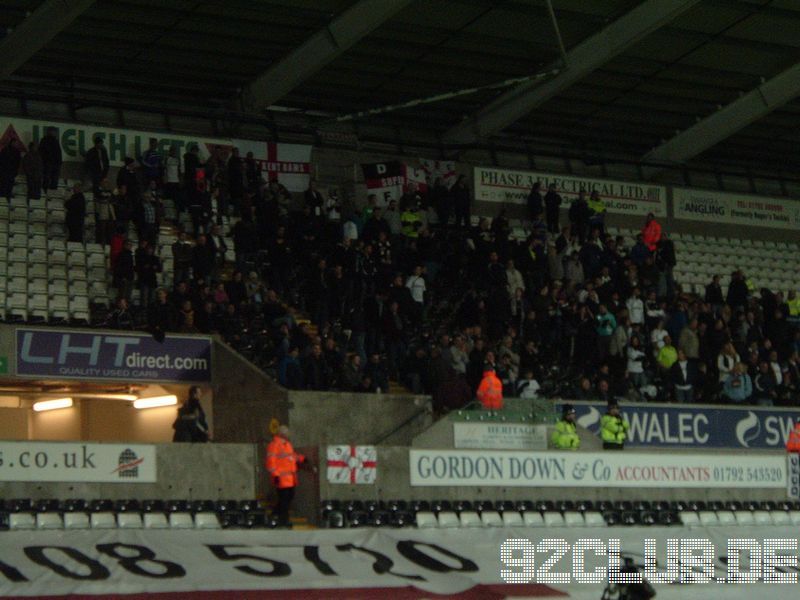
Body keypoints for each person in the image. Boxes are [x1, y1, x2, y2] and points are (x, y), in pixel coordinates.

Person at [266, 425, 307, 527]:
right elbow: (271, 462)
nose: (289, 434)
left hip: (290, 479)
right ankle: (284, 521)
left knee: (287, 499)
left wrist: (302, 458)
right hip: (281, 479)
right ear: (282, 433)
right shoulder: (274, 445)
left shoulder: (287, 444)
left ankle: (274, 515)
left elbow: (292, 456)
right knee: (284, 501)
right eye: (287, 432)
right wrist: (275, 475)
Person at [39, 126, 63, 192]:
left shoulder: (55, 141)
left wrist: (59, 162)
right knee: (47, 178)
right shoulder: (45, 141)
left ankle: (52, 193)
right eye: (53, 131)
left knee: (54, 180)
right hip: (48, 163)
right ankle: (46, 191)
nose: (54, 133)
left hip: (54, 164)